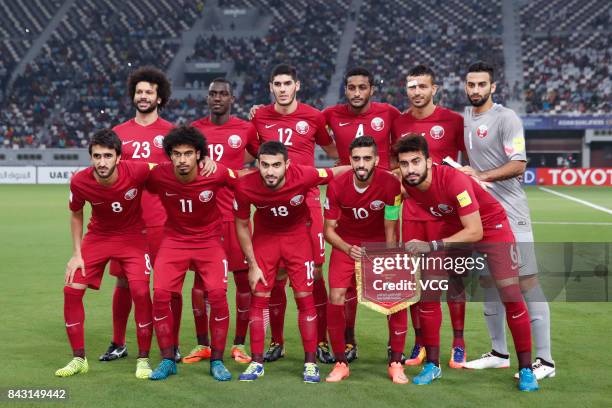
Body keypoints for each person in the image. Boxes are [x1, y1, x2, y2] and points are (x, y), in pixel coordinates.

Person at [396, 134, 538, 392]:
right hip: (452, 230)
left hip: (490, 227)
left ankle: (527, 369)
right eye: (404, 164)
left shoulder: (453, 180)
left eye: (416, 162)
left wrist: (433, 246)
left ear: (429, 161)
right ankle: (432, 365)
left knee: (511, 294)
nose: (410, 169)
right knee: (429, 295)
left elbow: (475, 232)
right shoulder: (408, 182)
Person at [460, 61, 555, 380]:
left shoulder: (506, 118)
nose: (475, 90)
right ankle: (499, 352)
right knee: (489, 283)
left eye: (481, 84)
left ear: (493, 87)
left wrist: (480, 176)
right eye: (471, 84)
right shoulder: (466, 118)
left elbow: (518, 164)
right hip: (483, 218)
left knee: (526, 283)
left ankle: (545, 361)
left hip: (512, 216)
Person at [234, 141, 347, 383]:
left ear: (287, 164)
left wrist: (375, 172)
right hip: (265, 241)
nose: (270, 171)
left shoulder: (304, 175)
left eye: (276, 165)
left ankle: (309, 363)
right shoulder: (245, 185)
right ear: (257, 164)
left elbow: (335, 172)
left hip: (298, 239)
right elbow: (242, 225)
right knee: (259, 298)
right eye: (264, 165)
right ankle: (256, 362)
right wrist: (252, 264)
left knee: (305, 299)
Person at [251, 64, 338, 364]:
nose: (283, 88)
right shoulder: (259, 115)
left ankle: (322, 343)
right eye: (277, 83)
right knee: (275, 278)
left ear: (297, 85)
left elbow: (334, 153)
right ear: (271, 87)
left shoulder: (314, 117)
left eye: (288, 83)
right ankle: (277, 341)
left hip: (308, 204)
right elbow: (251, 153)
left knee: (314, 274)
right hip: (272, 207)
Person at [56, 129, 154, 379]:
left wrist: (203, 161)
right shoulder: (80, 181)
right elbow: (76, 213)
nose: (102, 162)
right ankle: (79, 359)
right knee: (71, 290)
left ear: (119, 157)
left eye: (107, 156)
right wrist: (76, 253)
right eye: (97, 156)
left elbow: (167, 170)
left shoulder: (138, 170)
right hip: (98, 237)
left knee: (141, 292)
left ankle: (143, 359)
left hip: (132, 237)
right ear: (90, 157)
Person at [146, 126, 237, 381]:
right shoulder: (159, 175)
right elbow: (128, 175)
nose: (182, 159)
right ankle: (167, 359)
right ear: (170, 155)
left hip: (209, 241)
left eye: (188, 153)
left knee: (218, 295)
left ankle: (217, 360)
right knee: (161, 294)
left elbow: (244, 181)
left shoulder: (215, 172)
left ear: (198, 154)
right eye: (176, 154)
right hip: (174, 240)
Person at [390, 64, 467, 367]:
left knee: (454, 280)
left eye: (423, 86)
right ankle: (421, 342)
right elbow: (393, 168)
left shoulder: (453, 121)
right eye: (412, 87)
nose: (417, 92)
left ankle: (458, 342)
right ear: (406, 89)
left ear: (434, 89)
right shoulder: (398, 122)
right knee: (417, 282)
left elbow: (467, 165)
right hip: (412, 215)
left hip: (447, 216)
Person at [323, 68, 400, 361]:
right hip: (348, 232)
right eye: (351, 87)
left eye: (362, 87)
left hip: (380, 230)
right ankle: (343, 348)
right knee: (339, 295)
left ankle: (398, 354)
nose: (356, 93)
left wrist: (390, 252)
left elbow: (392, 221)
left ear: (371, 90)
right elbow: (316, 133)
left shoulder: (390, 113)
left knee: (394, 297)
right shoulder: (330, 114)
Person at [101, 66, 177, 363]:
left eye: (149, 92)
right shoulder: (118, 134)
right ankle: (118, 342)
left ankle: (169, 346)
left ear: (159, 98)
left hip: (163, 220)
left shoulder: (171, 134)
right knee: (124, 284)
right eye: (139, 91)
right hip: (127, 225)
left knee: (167, 284)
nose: (143, 96)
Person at [185, 78, 259, 365]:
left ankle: (239, 344)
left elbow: (258, 154)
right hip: (202, 220)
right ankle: (202, 344)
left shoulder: (245, 128)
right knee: (200, 284)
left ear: (232, 98)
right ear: (207, 98)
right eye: (213, 93)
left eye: (223, 94)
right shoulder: (194, 130)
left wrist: (237, 172)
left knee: (243, 282)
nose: (217, 98)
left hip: (235, 216)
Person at [323, 136, 408, 384]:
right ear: (349, 160)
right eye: (357, 158)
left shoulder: (390, 185)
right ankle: (340, 362)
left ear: (377, 160)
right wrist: (348, 249)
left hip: (381, 245)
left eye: (367, 158)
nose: (361, 164)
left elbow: (391, 226)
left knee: (394, 300)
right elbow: (328, 230)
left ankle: (395, 362)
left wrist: (388, 258)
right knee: (336, 296)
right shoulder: (337, 185)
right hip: (346, 245)